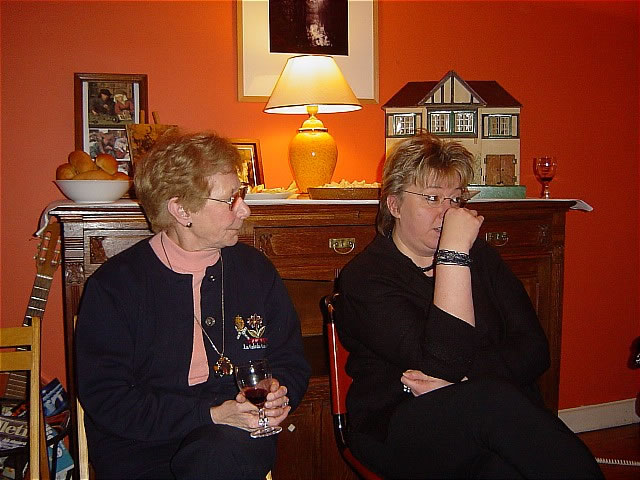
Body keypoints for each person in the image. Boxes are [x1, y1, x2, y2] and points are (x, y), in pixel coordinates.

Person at [337, 132, 603, 479]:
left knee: (504, 463)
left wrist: (465, 382)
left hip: (488, 416)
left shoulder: (483, 258)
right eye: (432, 198)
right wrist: (453, 256)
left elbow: (535, 349)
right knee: (494, 406)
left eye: (455, 199)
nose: (448, 213)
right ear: (395, 206)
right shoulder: (365, 278)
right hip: (398, 422)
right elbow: (443, 362)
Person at [76, 130, 311, 479]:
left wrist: (278, 392)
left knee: (218, 457)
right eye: (230, 199)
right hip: (140, 447)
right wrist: (210, 414)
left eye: (242, 194)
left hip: (232, 438)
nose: (245, 209)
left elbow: (290, 360)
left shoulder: (255, 271)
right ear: (181, 209)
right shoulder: (115, 286)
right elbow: (108, 398)